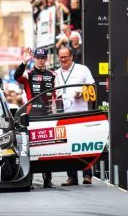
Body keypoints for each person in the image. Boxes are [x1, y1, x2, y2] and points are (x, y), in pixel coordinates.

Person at [14, 47, 55, 188]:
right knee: (31, 148)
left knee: (48, 148)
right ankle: (29, 180)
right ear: (35, 58)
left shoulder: (53, 75)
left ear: (46, 59)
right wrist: (24, 62)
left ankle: (47, 180)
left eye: (43, 58)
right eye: (38, 58)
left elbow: (57, 96)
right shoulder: (28, 75)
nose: (40, 61)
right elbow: (16, 77)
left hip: (48, 115)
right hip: (32, 116)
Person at [55, 47, 95, 185]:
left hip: (82, 113)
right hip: (65, 115)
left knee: (85, 145)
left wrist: (82, 94)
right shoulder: (56, 73)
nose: (63, 59)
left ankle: (87, 175)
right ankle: (72, 177)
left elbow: (93, 88)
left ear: (71, 56)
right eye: (61, 57)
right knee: (68, 147)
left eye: (66, 56)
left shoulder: (82, 69)